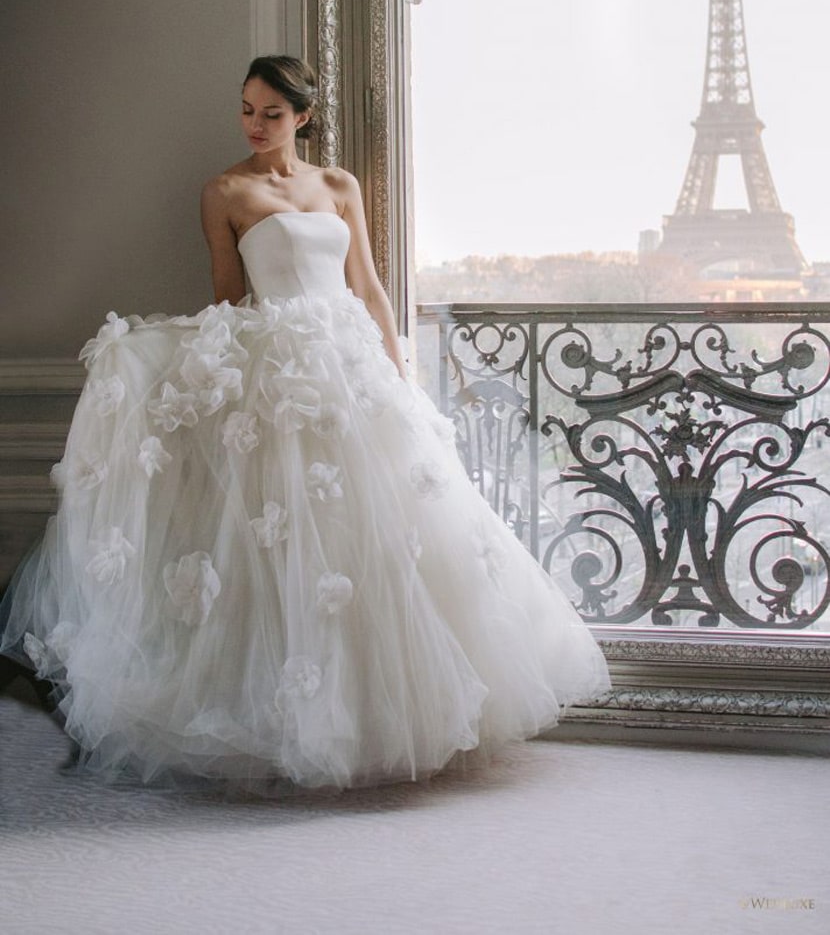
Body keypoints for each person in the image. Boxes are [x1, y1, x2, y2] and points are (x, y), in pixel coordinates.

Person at [0, 55, 610, 790]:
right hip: (281, 373)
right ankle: (308, 724)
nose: (255, 125)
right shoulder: (225, 191)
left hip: (353, 366)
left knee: (393, 539)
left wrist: (396, 372)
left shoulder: (339, 185)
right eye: (248, 110)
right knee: (290, 553)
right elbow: (228, 301)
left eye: (272, 114)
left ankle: (397, 715)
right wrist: (161, 359)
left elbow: (372, 290)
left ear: (303, 117)